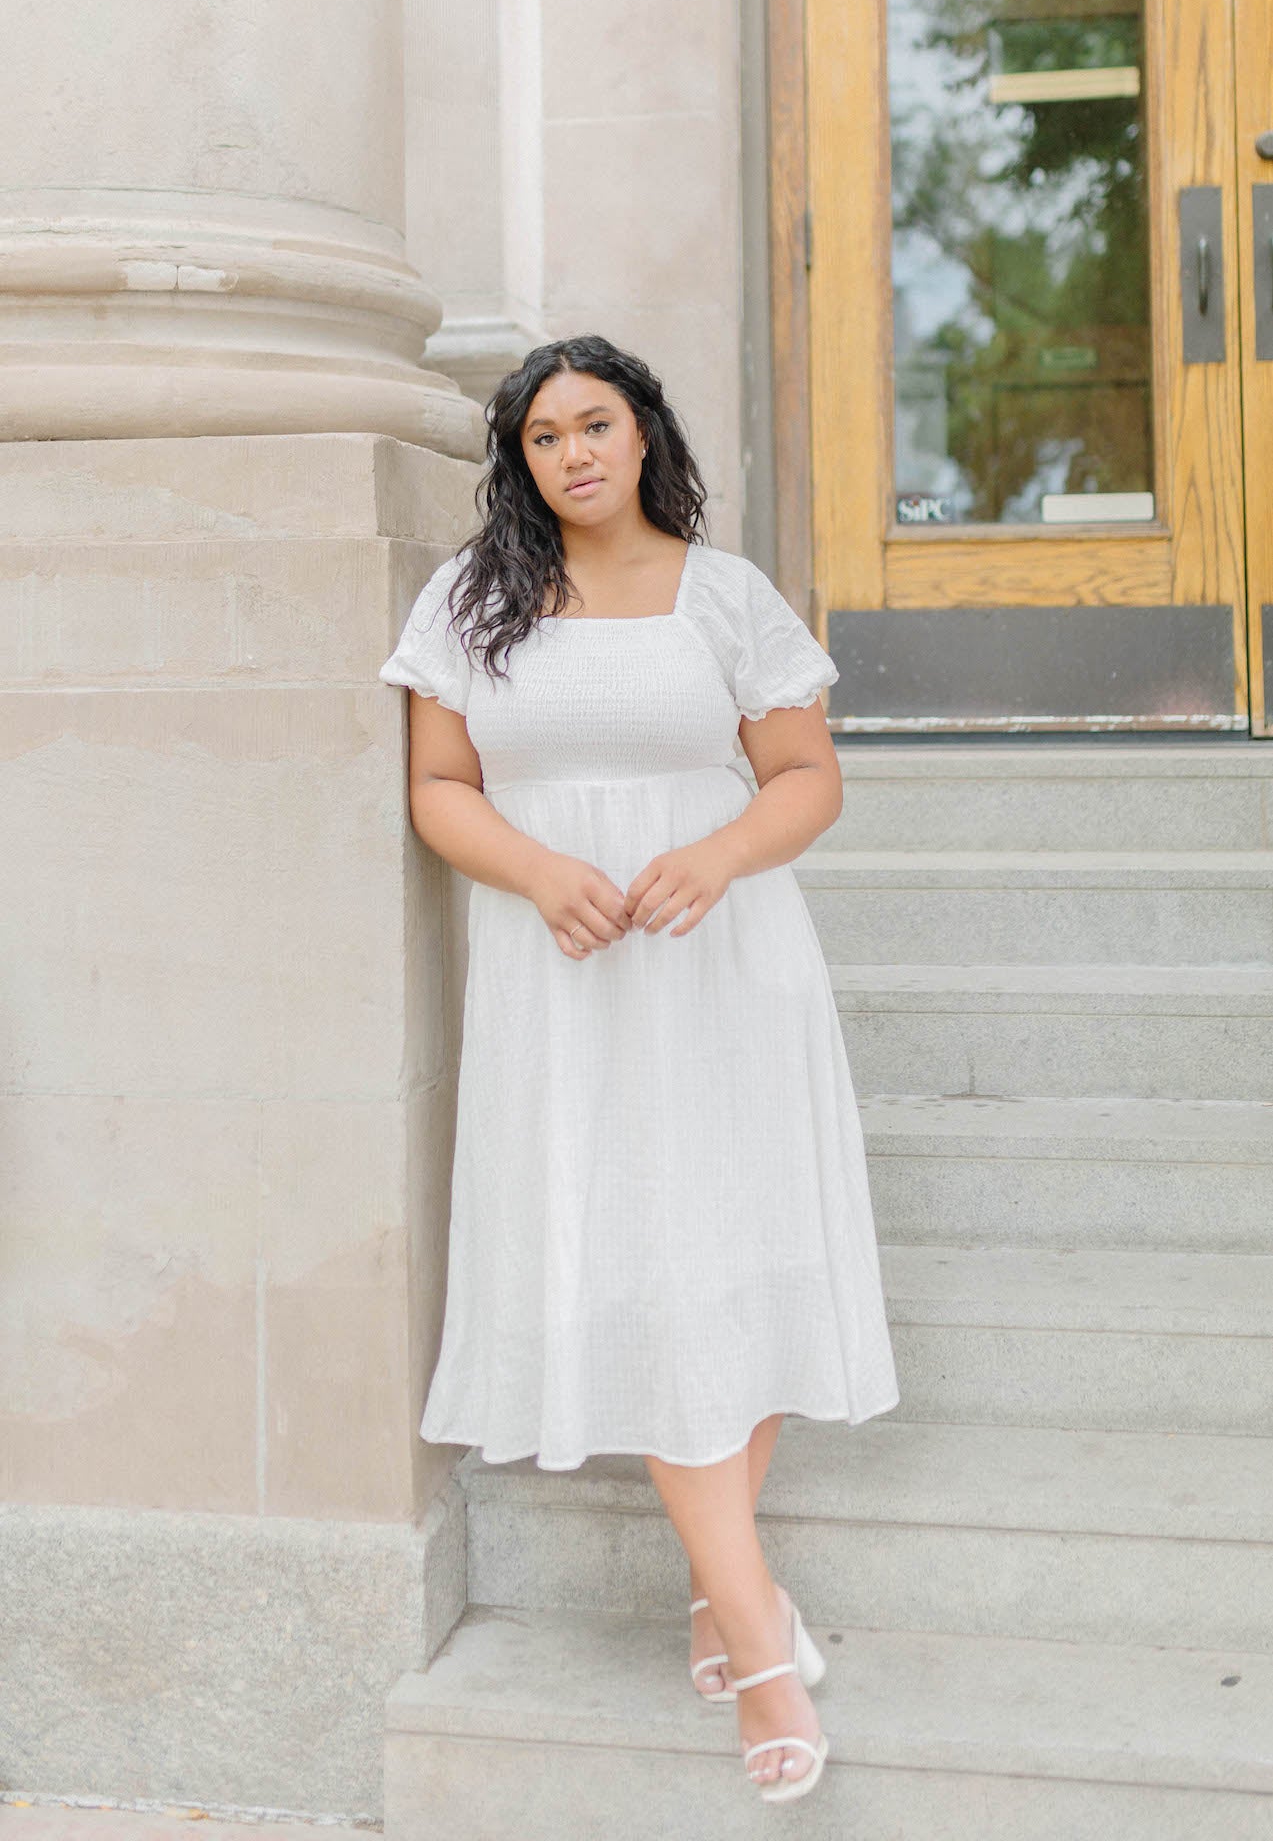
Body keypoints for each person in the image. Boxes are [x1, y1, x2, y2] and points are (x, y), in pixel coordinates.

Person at [379, 334, 900, 1806]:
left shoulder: (726, 595)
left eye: (593, 424)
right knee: (649, 1274)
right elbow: (434, 787)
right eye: (541, 437)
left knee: (739, 1259)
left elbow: (806, 777)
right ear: (520, 463)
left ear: (641, 431)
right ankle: (752, 1622)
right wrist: (541, 872)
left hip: (725, 970)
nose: (571, 455)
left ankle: (734, 1623)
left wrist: (716, 855)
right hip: (567, 988)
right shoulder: (468, 604)